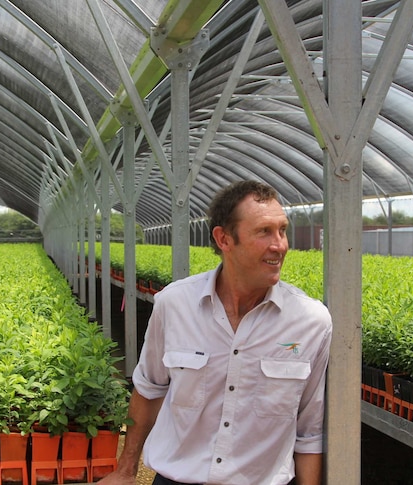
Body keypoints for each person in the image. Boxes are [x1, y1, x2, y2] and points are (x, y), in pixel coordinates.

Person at [99, 180, 333, 485]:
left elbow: (309, 430)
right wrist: (125, 471)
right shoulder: (174, 303)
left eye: (282, 230)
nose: (280, 245)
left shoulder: (310, 321)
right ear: (224, 239)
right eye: (264, 231)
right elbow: (149, 389)